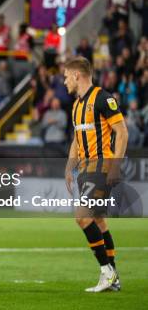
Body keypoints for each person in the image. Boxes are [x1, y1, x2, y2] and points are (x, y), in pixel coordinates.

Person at [63, 57, 128, 292]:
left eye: (66, 76)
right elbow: (76, 139)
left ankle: (107, 272)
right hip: (85, 169)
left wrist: (116, 166)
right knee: (98, 220)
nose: (64, 81)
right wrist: (70, 167)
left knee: (82, 217)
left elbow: (122, 133)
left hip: (101, 165)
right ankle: (114, 277)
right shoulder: (77, 105)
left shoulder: (103, 98)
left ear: (77, 75)